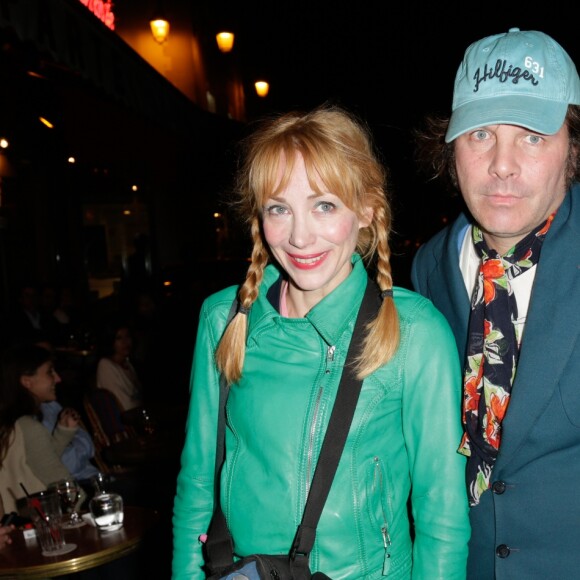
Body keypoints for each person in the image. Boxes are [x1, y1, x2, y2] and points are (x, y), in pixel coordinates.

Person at [172, 105, 470, 579]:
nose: (299, 236)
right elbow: (195, 487)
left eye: (324, 205)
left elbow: (442, 519)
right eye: (279, 209)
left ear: (367, 210)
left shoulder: (415, 333)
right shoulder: (223, 319)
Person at [410, 28, 580, 579]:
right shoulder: (426, 271)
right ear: (451, 148)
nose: (502, 164)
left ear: (571, 151)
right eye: (481, 133)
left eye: (532, 136)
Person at [0, 344, 79, 512]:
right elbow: (66, 490)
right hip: (38, 521)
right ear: (27, 381)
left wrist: (62, 435)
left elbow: (35, 464)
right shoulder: (28, 427)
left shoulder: (12, 423)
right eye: (50, 371)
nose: (58, 378)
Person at [95, 317, 144, 414]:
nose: (125, 342)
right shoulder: (106, 365)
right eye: (119, 338)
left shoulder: (128, 363)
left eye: (127, 336)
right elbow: (124, 405)